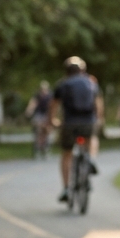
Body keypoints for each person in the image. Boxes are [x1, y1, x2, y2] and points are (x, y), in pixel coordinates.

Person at [50, 57, 102, 203]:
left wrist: (52, 120)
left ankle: (66, 188)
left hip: (69, 123)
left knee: (67, 153)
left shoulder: (62, 84)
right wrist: (98, 118)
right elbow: (98, 104)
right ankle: (90, 159)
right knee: (91, 138)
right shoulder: (91, 83)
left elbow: (53, 105)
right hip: (87, 122)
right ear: (82, 70)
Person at [25, 80, 53, 159]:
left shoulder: (50, 96)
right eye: (42, 89)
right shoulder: (37, 96)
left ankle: (46, 148)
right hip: (39, 114)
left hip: (47, 115)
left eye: (44, 89)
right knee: (37, 131)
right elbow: (33, 103)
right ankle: (37, 149)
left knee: (47, 132)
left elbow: (53, 106)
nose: (43, 91)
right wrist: (29, 111)